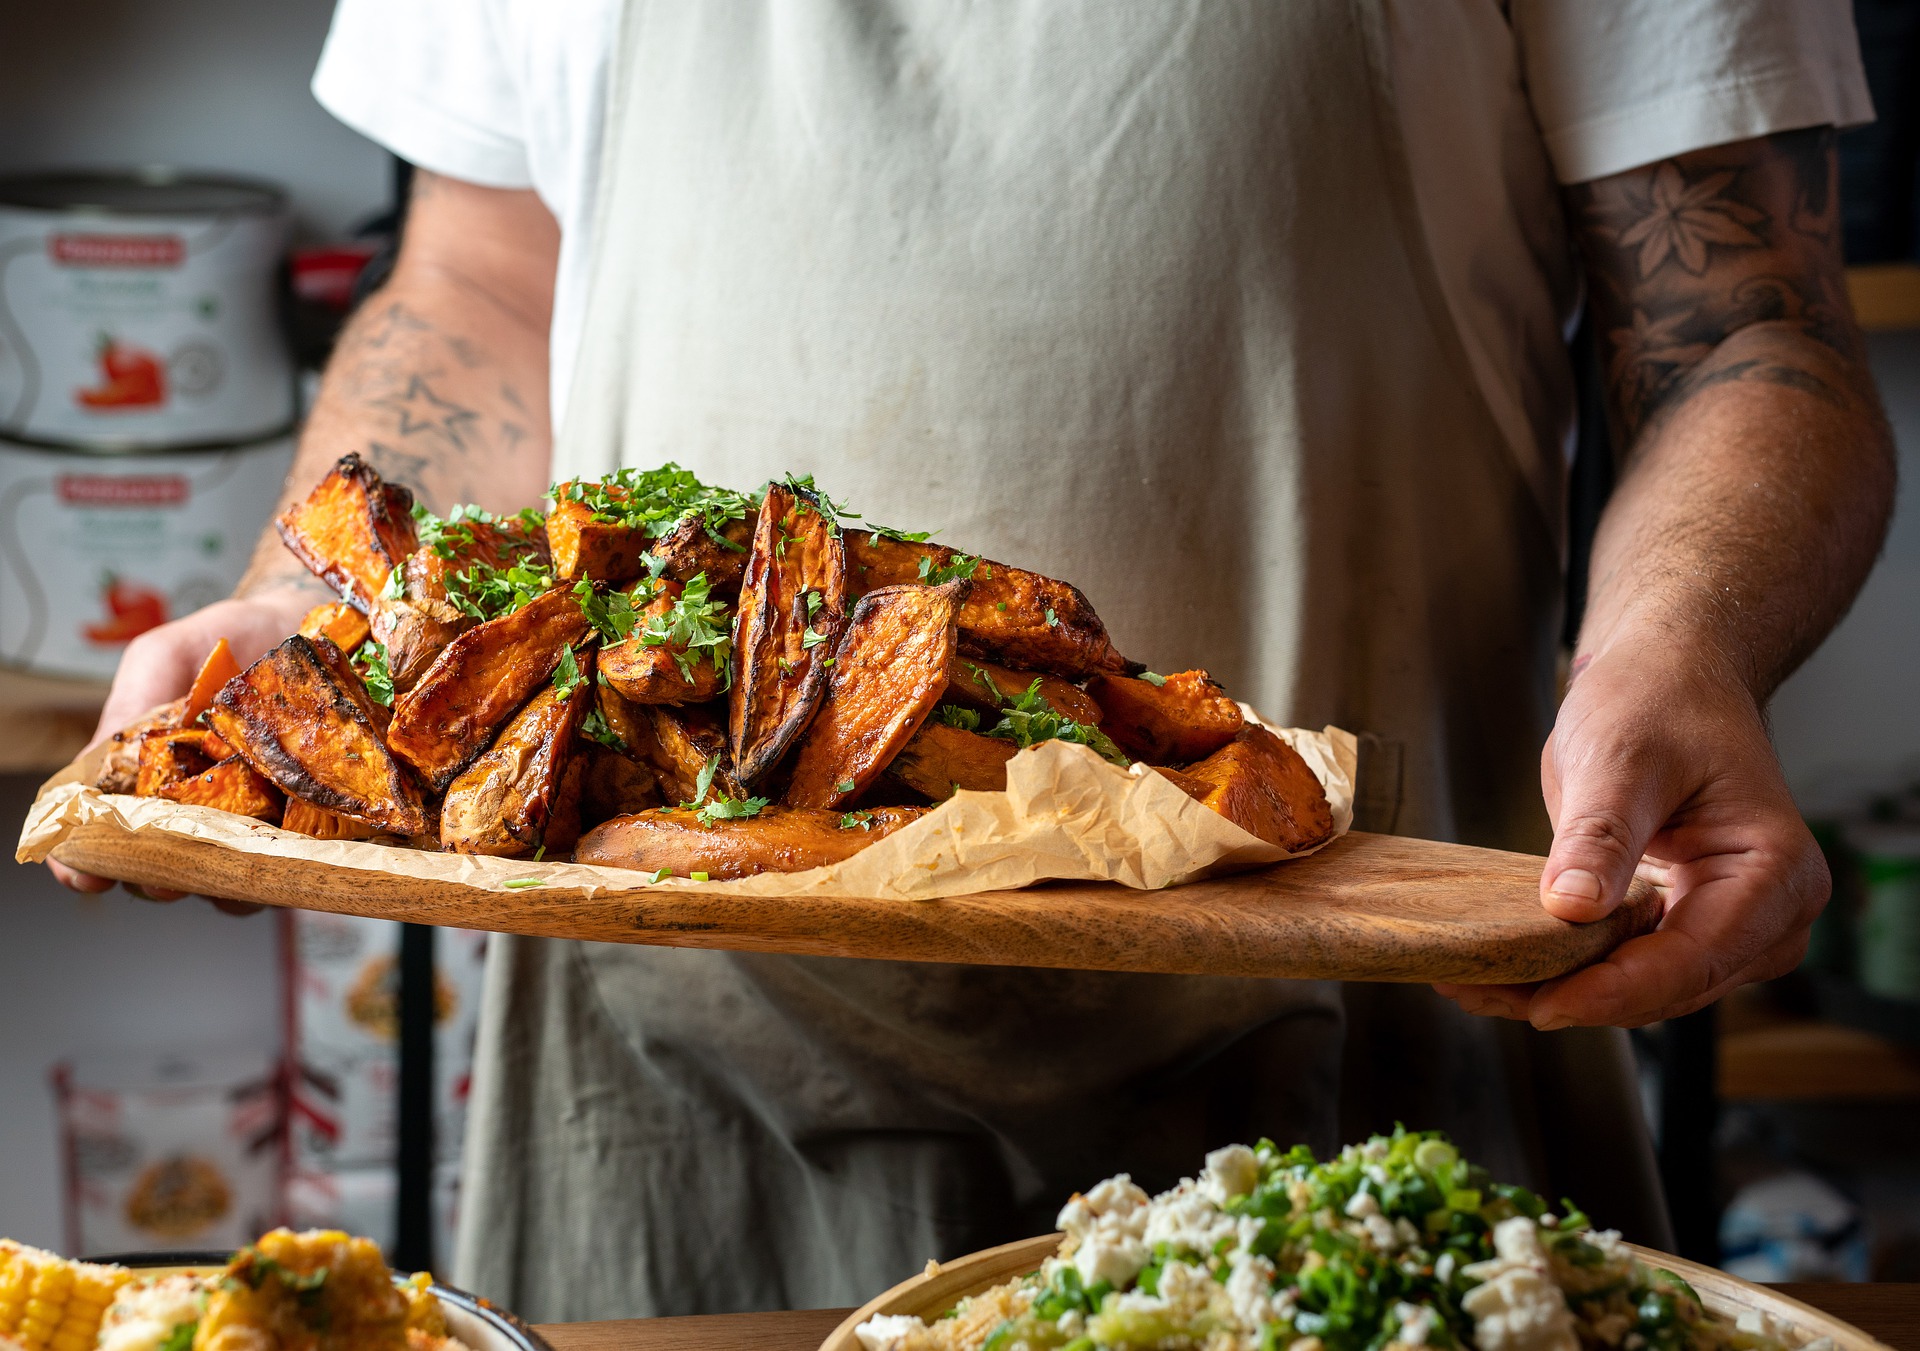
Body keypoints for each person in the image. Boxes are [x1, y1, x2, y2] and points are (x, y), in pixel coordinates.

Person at [54, 0, 1894, 1323]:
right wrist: (323, 623)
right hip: (672, 1070)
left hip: (1356, 1012)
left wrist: (1681, 642)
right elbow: (478, 281)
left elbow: (1743, 328)